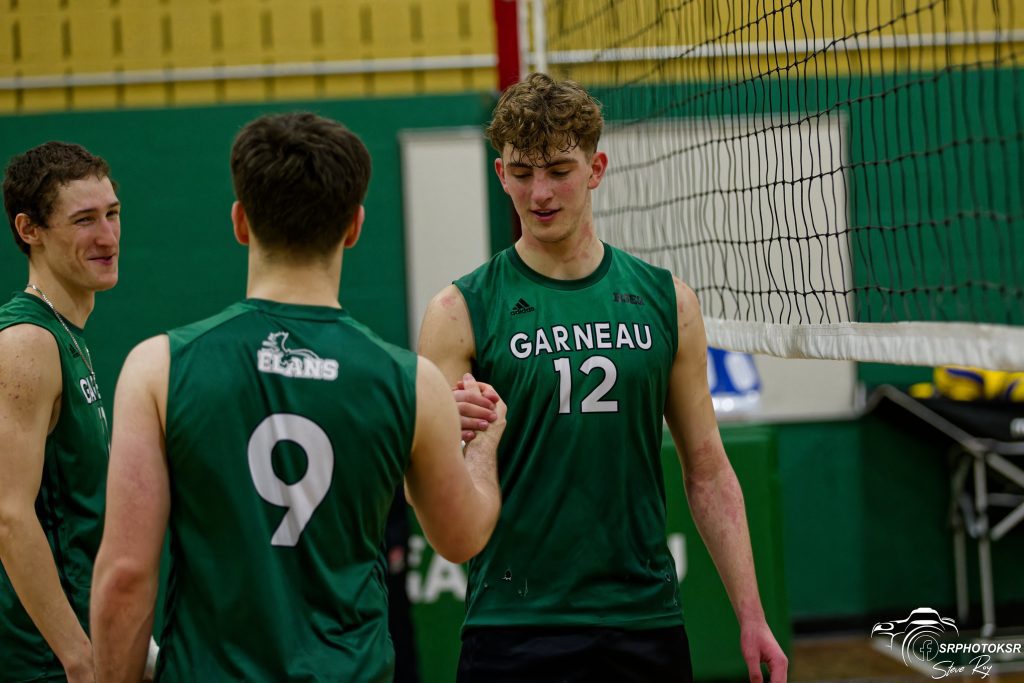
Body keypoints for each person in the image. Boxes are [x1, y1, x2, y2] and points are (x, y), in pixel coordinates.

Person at [89, 112, 505, 682]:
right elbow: (460, 538)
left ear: (240, 221)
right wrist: (483, 442)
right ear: (354, 226)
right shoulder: (411, 382)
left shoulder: (157, 367)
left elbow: (126, 577)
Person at [418, 73, 788, 683]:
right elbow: (426, 488)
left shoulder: (667, 301)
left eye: (559, 170)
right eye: (522, 172)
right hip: (513, 625)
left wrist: (751, 615)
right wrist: (446, 438)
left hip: (642, 622)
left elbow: (709, 470)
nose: (540, 193)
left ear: (596, 168)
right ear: (500, 175)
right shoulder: (459, 312)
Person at [0, 142, 120, 683]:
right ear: (29, 230)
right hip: (42, 662)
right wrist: (78, 656)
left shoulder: (65, 338)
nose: (108, 237)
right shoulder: (26, 344)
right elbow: (8, 516)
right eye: (84, 220)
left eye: (113, 214)